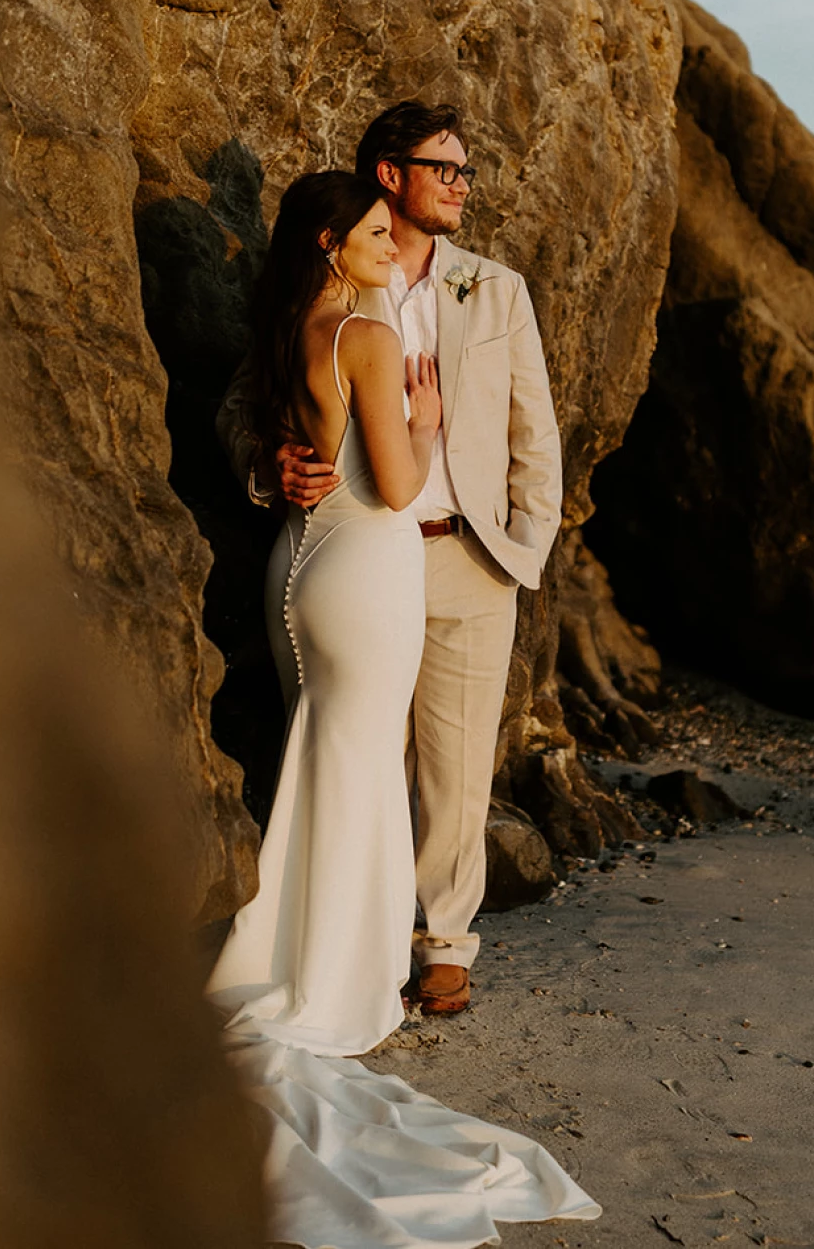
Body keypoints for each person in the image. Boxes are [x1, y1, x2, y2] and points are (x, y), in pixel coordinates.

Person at [204, 171, 595, 1248]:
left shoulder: (291, 323)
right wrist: (423, 421)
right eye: (378, 232)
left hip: (298, 567)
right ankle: (333, 982)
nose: (394, 244)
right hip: (368, 568)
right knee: (363, 773)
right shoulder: (368, 337)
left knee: (317, 765)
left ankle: (301, 954)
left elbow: (283, 438)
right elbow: (391, 468)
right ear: (336, 238)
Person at [219, 101, 563, 1019]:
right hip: (358, 548)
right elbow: (245, 401)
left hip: (462, 555)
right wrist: (267, 463)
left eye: (464, 170)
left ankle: (444, 942)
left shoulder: (497, 290)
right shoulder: (344, 277)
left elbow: (537, 434)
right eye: (443, 168)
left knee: (454, 764)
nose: (459, 185)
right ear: (389, 175)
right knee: (362, 751)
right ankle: (354, 943)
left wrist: (523, 545)